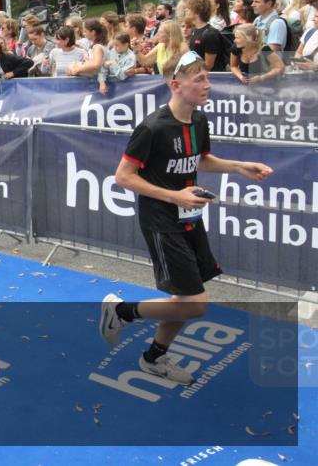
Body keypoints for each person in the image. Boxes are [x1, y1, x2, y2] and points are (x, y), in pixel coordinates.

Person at [101, 51, 273, 384]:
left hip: (188, 217)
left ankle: (153, 358)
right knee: (195, 304)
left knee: (183, 299)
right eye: (200, 80)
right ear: (177, 85)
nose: (208, 84)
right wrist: (174, 195)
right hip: (161, 221)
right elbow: (123, 177)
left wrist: (239, 167)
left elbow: (201, 159)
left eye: (207, 77)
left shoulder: (198, 120)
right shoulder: (152, 127)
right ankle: (121, 311)